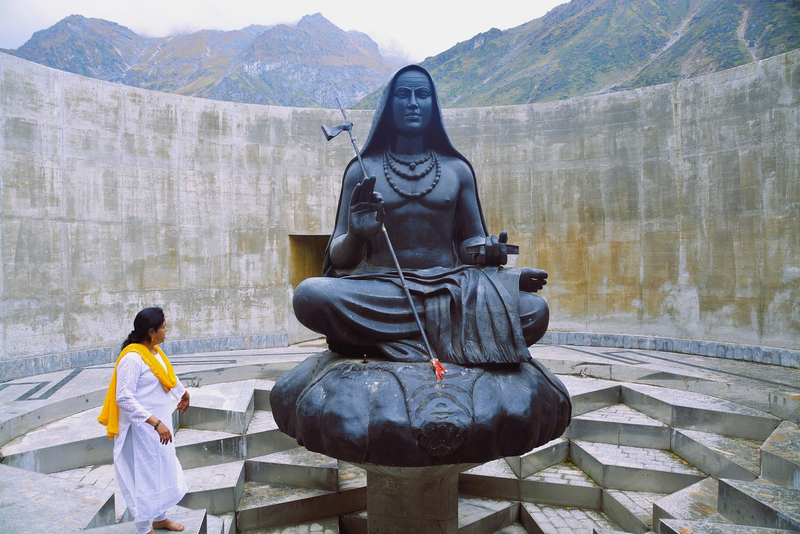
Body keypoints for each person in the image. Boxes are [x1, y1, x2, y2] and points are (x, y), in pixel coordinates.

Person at [293, 65, 549, 365]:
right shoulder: (363, 169)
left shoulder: (457, 170)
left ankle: (392, 340)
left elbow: (470, 243)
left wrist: (490, 255)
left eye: (422, 94)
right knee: (309, 295)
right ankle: (442, 338)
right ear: (388, 107)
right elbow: (339, 259)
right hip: (382, 289)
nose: (413, 103)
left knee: (534, 311)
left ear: (433, 105)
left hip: (449, 289)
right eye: (403, 95)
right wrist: (356, 234)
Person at [98, 307, 189, 534]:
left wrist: (184, 394)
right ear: (151, 331)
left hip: (160, 426)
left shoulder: (155, 351)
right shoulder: (132, 358)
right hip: (142, 429)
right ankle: (142, 528)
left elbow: (168, 377)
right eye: (164, 327)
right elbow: (124, 398)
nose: (167, 330)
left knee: (162, 470)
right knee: (145, 476)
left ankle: (160, 518)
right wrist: (155, 423)